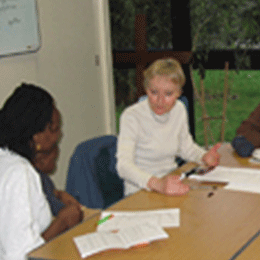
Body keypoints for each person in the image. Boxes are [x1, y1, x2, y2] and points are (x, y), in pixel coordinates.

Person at [0, 83, 83, 260]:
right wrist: (62, 223)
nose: (58, 136)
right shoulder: (19, 173)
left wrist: (56, 195)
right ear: (35, 136)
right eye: (53, 129)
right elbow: (21, 255)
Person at [116, 58, 221, 197]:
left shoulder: (179, 110)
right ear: (146, 89)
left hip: (172, 182)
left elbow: (186, 149)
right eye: (154, 92)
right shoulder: (132, 116)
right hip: (140, 191)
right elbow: (123, 166)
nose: (160, 101)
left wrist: (203, 156)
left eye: (168, 94)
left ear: (178, 93)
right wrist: (158, 184)